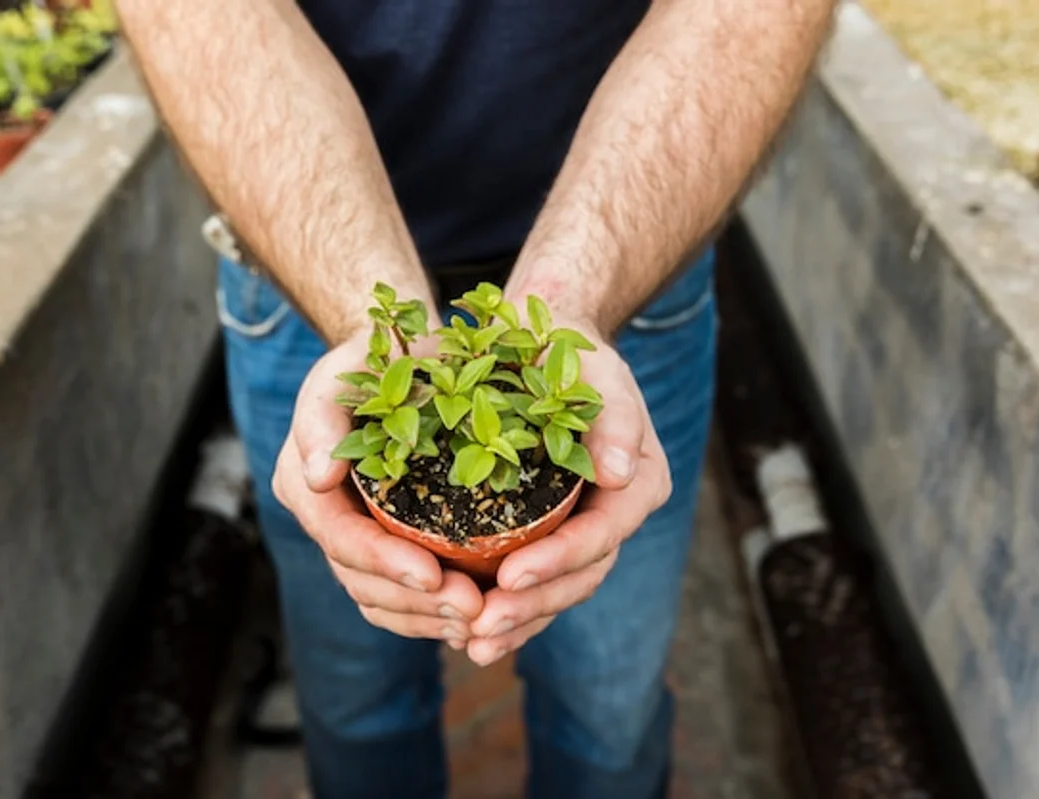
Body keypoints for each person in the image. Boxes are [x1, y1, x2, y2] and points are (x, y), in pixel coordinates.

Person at [116, 1, 835, 796]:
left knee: (608, 707)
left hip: (631, 262)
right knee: (356, 700)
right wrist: (366, 313)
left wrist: (567, 301)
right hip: (301, 264)